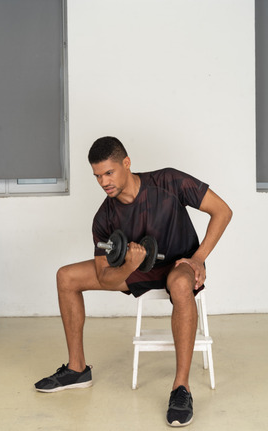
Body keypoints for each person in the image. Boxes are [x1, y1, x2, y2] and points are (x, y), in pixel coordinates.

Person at [35, 136, 232, 427]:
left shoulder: (168, 181)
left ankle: (181, 388)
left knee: (179, 284)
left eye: (109, 172)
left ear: (126, 164)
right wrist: (129, 264)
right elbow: (105, 276)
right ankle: (77, 369)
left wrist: (198, 258)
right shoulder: (104, 217)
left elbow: (223, 211)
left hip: (179, 264)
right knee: (66, 276)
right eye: (98, 176)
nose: (103, 182)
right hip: (135, 269)